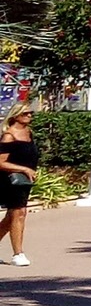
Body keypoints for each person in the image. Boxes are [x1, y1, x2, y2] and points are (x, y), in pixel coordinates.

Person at [1, 106, 38, 267]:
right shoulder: (9, 136)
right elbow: (1, 162)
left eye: (31, 113)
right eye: (25, 113)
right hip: (10, 180)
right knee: (19, 213)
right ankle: (18, 254)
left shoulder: (28, 133)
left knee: (12, 217)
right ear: (16, 116)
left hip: (24, 181)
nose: (29, 115)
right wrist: (24, 169)